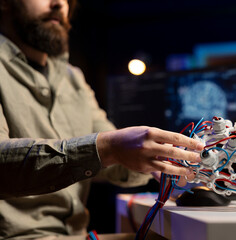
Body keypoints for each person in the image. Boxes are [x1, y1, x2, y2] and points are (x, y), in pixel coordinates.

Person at [0, 0, 203, 238]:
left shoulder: (72, 78)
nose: (58, 4)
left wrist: (160, 160)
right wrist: (108, 148)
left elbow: (115, 156)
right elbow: (107, 147)